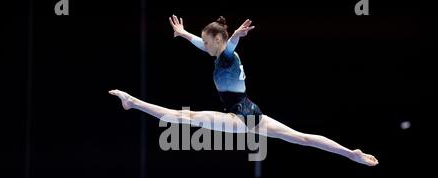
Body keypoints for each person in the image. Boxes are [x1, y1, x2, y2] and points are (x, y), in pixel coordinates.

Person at [109, 15, 378, 166]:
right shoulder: (215, 51)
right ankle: (350, 154)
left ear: (218, 40)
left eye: (207, 40)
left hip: (239, 116)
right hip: (251, 112)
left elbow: (230, 45)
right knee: (302, 139)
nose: (204, 45)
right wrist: (183, 33)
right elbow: (201, 44)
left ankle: (132, 102)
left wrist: (235, 34)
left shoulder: (226, 54)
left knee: (182, 119)